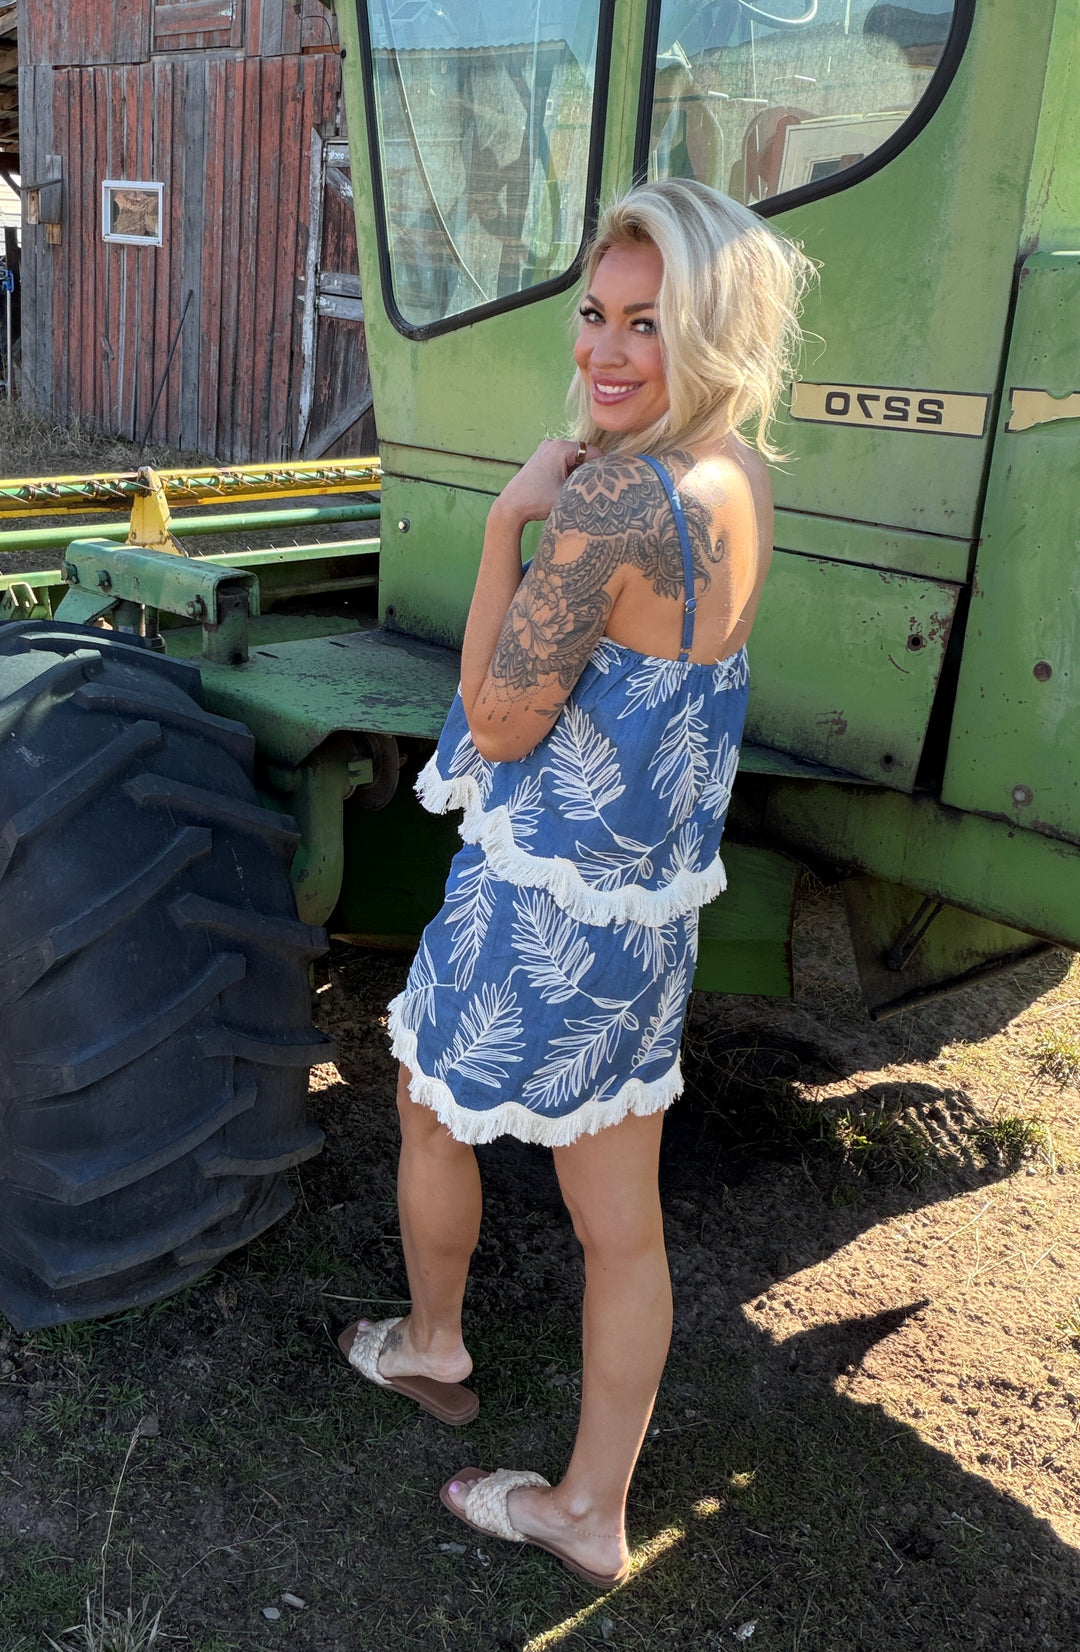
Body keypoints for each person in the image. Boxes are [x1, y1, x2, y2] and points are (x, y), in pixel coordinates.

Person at [340, 177, 813, 1589]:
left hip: (542, 901)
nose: (605, 350)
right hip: (646, 912)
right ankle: (591, 1509)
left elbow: (497, 721)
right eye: (596, 315)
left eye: (648, 323)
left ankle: (434, 1343)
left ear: (714, 329)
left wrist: (506, 526)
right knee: (623, 1226)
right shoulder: (740, 475)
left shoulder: (610, 499)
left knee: (428, 1105)